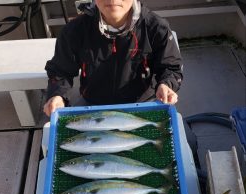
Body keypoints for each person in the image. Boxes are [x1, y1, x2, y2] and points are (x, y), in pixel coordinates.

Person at [43, 0, 183, 117]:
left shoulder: (155, 27)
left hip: (144, 103)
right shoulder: (74, 30)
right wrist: (57, 95)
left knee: (188, 142)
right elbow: (59, 71)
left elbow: (170, 67)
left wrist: (166, 84)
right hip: (93, 104)